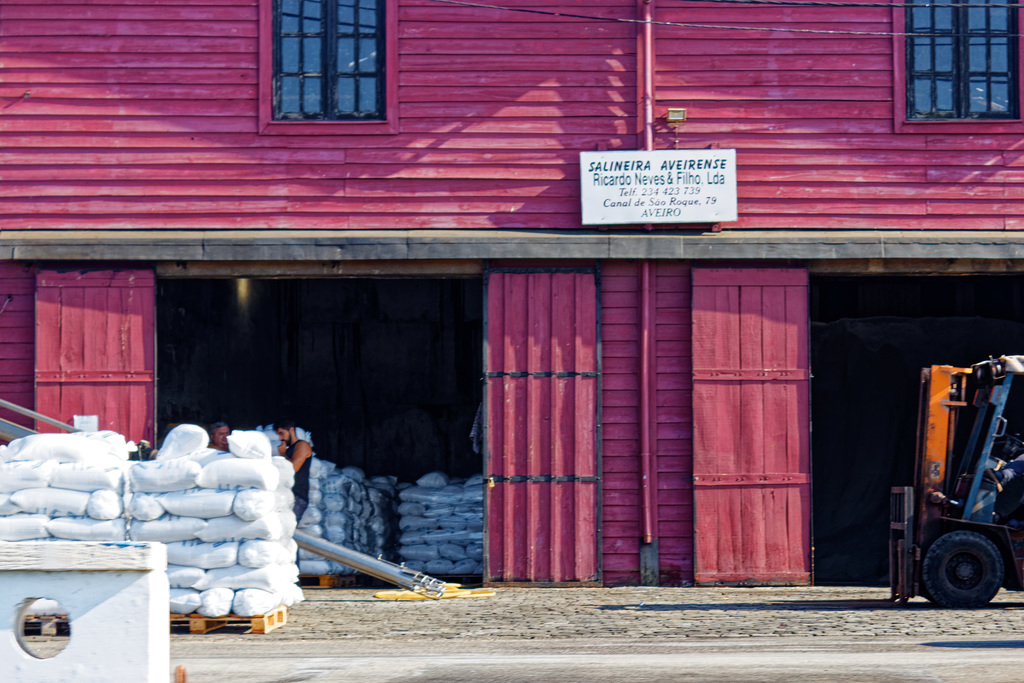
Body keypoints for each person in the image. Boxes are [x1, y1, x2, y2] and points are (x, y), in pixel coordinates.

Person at [274, 418, 312, 523]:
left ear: (291, 430)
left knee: (288, 528)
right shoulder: (289, 448)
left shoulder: (302, 445)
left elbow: (293, 469)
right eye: (278, 434)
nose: (280, 438)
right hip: (288, 495)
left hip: (298, 497)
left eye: (282, 433)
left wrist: (282, 454)